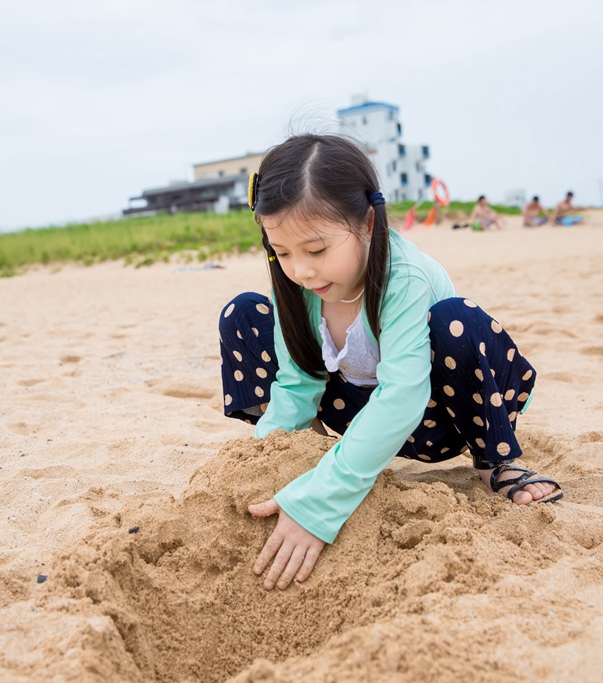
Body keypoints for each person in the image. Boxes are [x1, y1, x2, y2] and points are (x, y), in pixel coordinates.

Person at [217, 134, 562, 591]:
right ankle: (310, 449)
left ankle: (495, 462)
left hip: (439, 418)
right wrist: (267, 462)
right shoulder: (299, 288)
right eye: (282, 253)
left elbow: (402, 396)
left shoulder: (404, 277)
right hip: (358, 412)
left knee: (456, 321)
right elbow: (296, 382)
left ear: (368, 223)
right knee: (242, 313)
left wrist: (324, 501)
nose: (301, 271)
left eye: (317, 250)